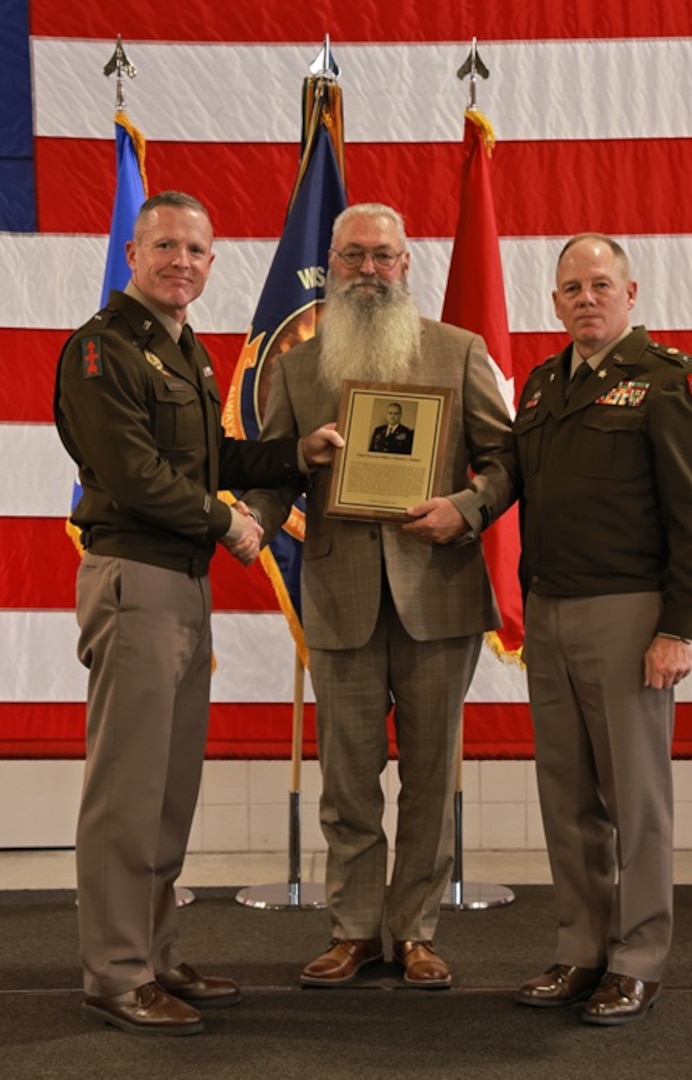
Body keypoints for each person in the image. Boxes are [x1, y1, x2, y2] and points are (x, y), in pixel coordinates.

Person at [54, 191, 341, 1036]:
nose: (181, 261)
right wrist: (230, 522)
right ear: (134, 256)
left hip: (179, 586)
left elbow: (212, 456)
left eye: (197, 250)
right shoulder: (102, 352)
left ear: (213, 264)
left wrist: (293, 452)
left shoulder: (185, 351)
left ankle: (152, 952)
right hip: (135, 579)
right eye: (165, 246)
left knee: (168, 789)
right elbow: (138, 475)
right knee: (125, 794)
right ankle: (112, 973)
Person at [243, 202, 515, 989]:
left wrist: (462, 510)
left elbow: (506, 464)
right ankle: (354, 928)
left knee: (431, 774)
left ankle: (418, 930)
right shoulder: (296, 366)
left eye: (383, 256)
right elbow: (271, 474)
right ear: (330, 266)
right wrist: (251, 524)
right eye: (353, 256)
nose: (368, 270)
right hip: (340, 594)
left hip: (439, 592)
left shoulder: (458, 352)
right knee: (349, 778)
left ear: (406, 264)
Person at [512, 233, 692, 1025]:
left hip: (631, 615)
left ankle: (636, 959)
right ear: (555, 301)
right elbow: (508, 479)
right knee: (566, 797)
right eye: (570, 288)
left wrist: (677, 627)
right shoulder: (539, 389)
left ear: (630, 294)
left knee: (636, 801)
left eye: (600, 284)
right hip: (549, 612)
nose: (585, 298)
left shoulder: (670, 384)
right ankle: (580, 949)